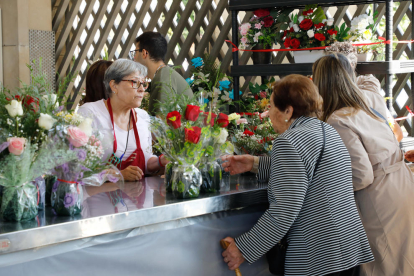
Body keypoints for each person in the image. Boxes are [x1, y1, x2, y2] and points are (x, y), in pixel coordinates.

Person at [221, 74, 373, 275]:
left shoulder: (289, 141)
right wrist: (254, 164)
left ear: (288, 111)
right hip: (347, 250)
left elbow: (283, 213)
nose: (268, 113)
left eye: (272, 106)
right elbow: (309, 172)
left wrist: (243, 249)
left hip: (319, 257)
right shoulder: (327, 129)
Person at [313, 54, 414, 276]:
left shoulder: (338, 120)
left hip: (380, 196)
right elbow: (370, 80)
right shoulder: (369, 98)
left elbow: (361, 175)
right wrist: (347, 71)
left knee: (385, 264)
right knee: (405, 258)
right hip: (403, 183)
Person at [78, 59, 168, 181]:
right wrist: (116, 175)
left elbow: (146, 163)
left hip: (137, 197)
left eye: (144, 83)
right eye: (135, 82)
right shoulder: (90, 113)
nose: (142, 89)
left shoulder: (143, 117)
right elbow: (76, 168)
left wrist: (160, 161)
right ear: (114, 85)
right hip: (99, 197)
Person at [325, 42, 403, 141]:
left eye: (341, 65)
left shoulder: (367, 93)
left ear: (352, 65)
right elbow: (397, 135)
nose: (336, 71)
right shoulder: (370, 91)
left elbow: (397, 133)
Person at [131, 31, 193, 115]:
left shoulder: (162, 79)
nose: (134, 58)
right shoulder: (165, 74)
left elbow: (161, 123)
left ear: (144, 53)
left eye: (135, 52)